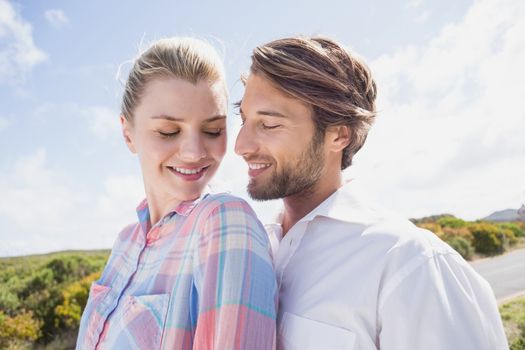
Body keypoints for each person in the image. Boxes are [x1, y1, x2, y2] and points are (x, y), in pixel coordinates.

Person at [235, 36, 508, 350]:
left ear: (338, 135)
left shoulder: (409, 263)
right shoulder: (254, 251)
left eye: (268, 124)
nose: (240, 146)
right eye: (243, 119)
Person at [76, 37, 277, 350]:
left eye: (213, 130)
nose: (194, 152)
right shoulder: (126, 242)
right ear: (128, 133)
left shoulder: (225, 222)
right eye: (168, 132)